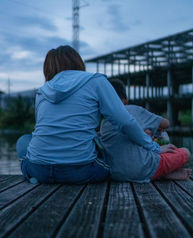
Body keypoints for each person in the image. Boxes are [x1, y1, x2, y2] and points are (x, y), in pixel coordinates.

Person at [16, 45, 161, 184]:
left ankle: (33, 177)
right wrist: (153, 147)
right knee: (102, 146)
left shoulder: (42, 92)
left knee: (24, 140)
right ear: (78, 62)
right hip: (81, 172)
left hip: (39, 170)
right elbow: (125, 122)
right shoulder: (96, 81)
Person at [100, 79, 191, 182]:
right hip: (144, 169)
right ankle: (162, 173)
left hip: (116, 174)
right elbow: (166, 123)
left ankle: (164, 173)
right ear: (126, 99)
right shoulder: (134, 110)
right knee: (185, 152)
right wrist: (154, 125)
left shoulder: (104, 121)